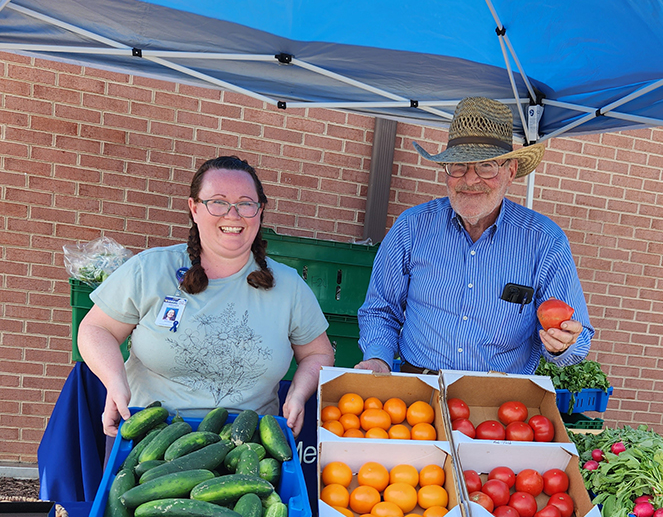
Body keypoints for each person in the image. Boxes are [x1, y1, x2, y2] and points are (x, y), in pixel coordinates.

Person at [78, 155, 334, 437]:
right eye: (218, 202)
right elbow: (96, 329)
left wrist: (298, 392)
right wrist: (115, 382)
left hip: (247, 444)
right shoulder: (150, 269)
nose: (232, 214)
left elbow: (318, 353)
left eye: (246, 203)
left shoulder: (289, 286)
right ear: (194, 208)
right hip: (148, 437)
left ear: (259, 211)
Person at [356, 97, 593, 375]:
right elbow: (381, 309)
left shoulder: (544, 241)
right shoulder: (412, 227)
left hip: (501, 402)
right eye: (459, 166)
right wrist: (378, 358)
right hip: (420, 394)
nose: (470, 179)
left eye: (486, 166)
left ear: (510, 171)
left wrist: (562, 345)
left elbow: (579, 339)